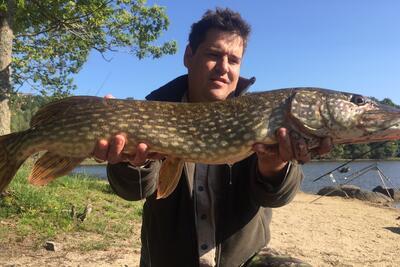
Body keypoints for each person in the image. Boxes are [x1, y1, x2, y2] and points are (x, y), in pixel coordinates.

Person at [92, 8, 331, 267]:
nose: (223, 68)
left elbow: (276, 198)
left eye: (234, 60)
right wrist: (132, 163)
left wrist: (274, 167)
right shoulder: (152, 111)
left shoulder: (262, 115)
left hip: (242, 260)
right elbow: (132, 190)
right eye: (213, 55)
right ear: (189, 56)